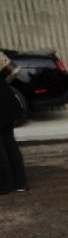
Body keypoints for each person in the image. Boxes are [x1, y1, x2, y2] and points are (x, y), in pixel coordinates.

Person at [0, 50, 27, 194]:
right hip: (6, 98)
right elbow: (13, 71)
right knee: (9, 142)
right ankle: (20, 183)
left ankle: (4, 185)